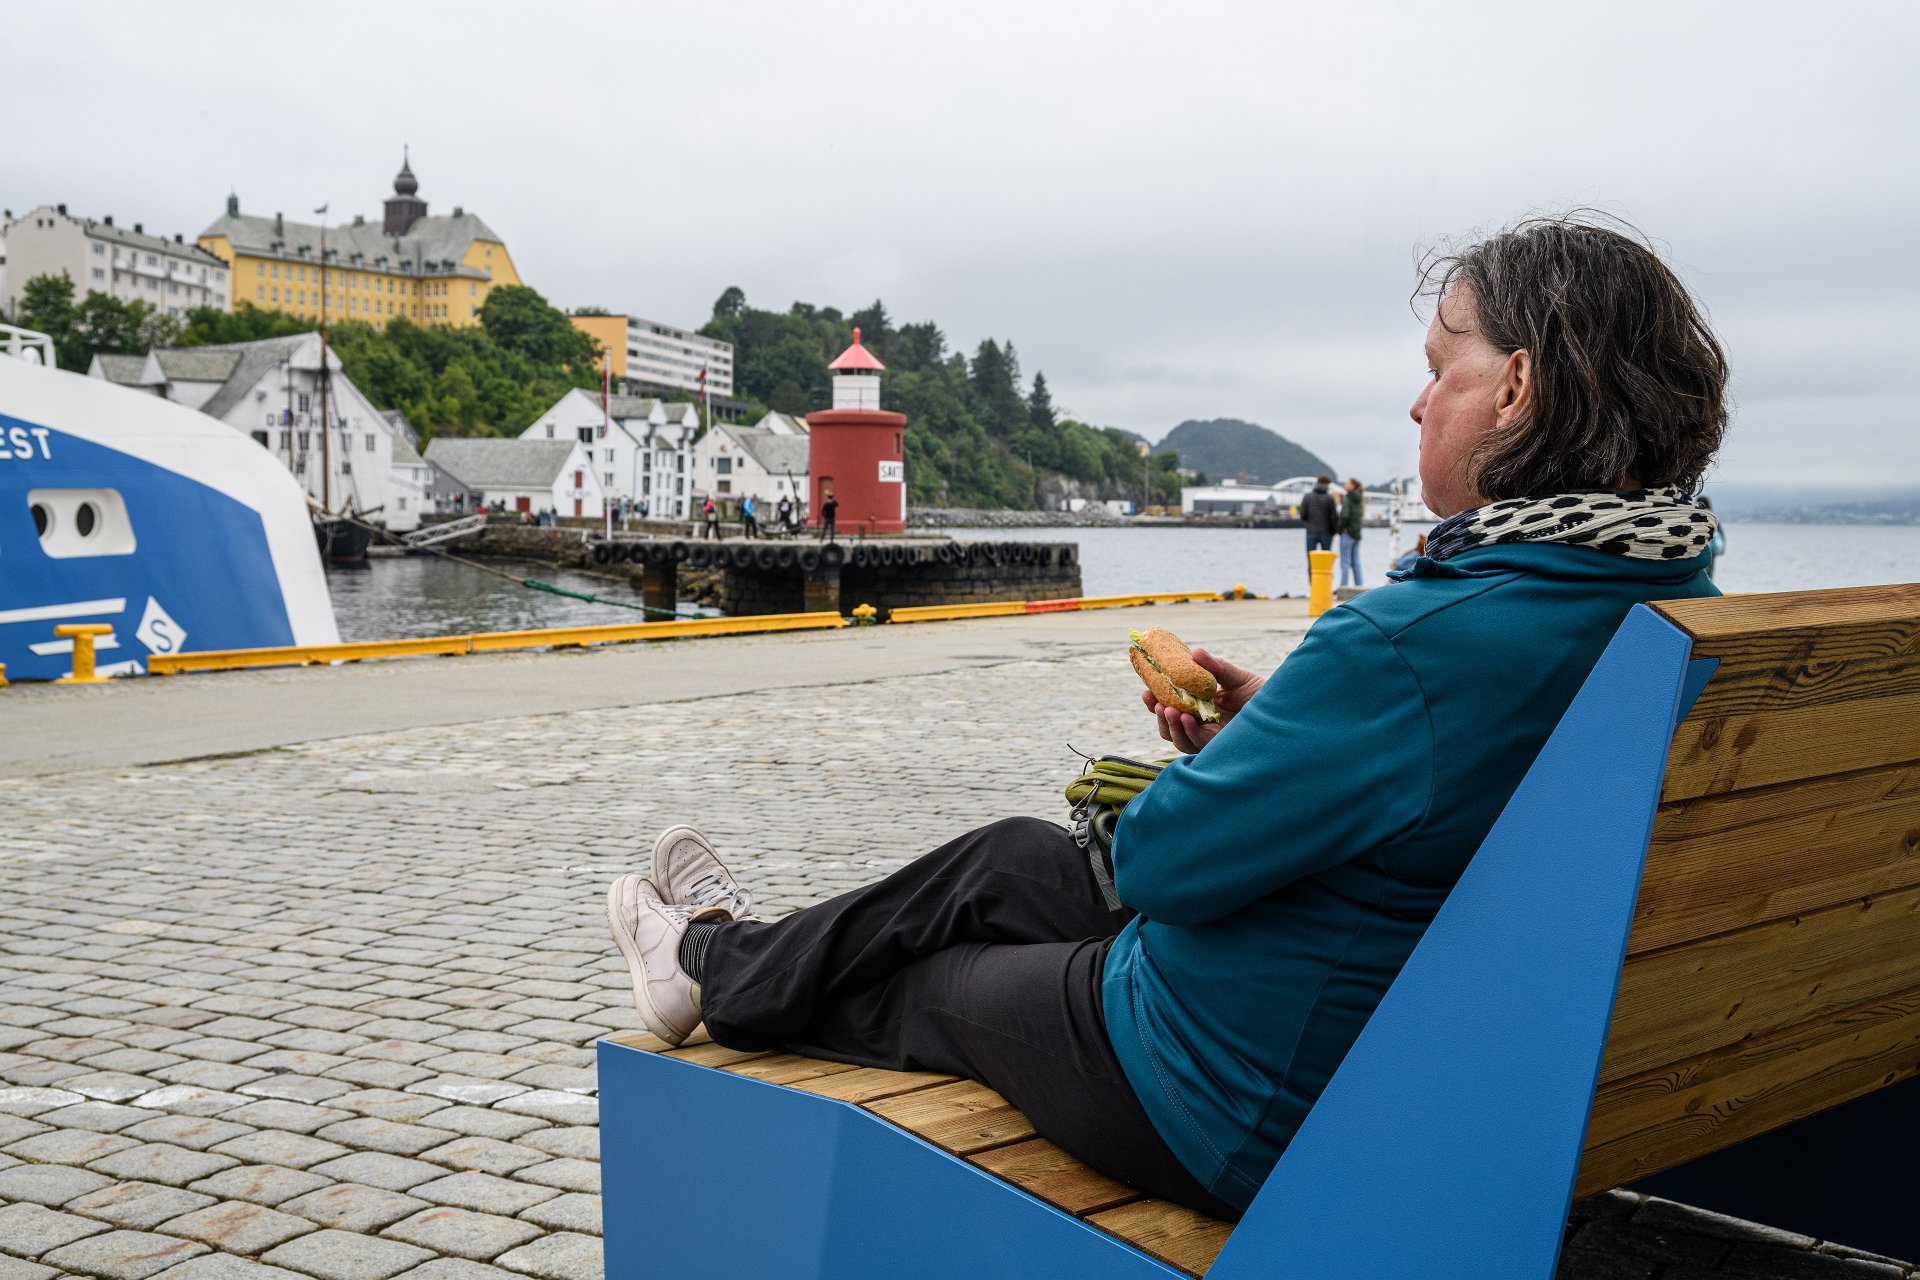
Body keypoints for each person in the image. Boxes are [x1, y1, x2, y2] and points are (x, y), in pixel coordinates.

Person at [605, 214, 1728, 1218]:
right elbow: (1447, 783)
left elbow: (1158, 866)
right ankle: (720, 957)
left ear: (1518, 388)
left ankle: (715, 967)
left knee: (936, 981)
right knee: (1009, 859)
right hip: (1444, 1052)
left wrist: (1239, 760)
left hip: (1240, 1090)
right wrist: (1276, 731)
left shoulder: (1414, 640)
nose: (1418, 400)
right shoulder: (1674, 600)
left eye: (1441, 368)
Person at [1300, 476, 1338, 576]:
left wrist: (1310, 523)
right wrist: (1334, 531)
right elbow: (1333, 517)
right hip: (1326, 533)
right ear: (1327, 484)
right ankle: (1326, 582)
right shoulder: (1329, 498)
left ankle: (1313, 583)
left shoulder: (1307, 497)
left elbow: (1303, 515)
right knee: (1326, 561)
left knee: (1311, 561)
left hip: (1311, 532)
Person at [1336, 477, 1365, 587]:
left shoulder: (1349, 497)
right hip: (1357, 533)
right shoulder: (1359, 497)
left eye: (1347, 483)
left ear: (1352, 485)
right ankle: (1359, 587)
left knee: (1345, 562)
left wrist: (1339, 529)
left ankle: (1343, 587)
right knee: (1356, 562)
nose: (1345, 484)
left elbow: (1344, 515)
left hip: (1347, 533)